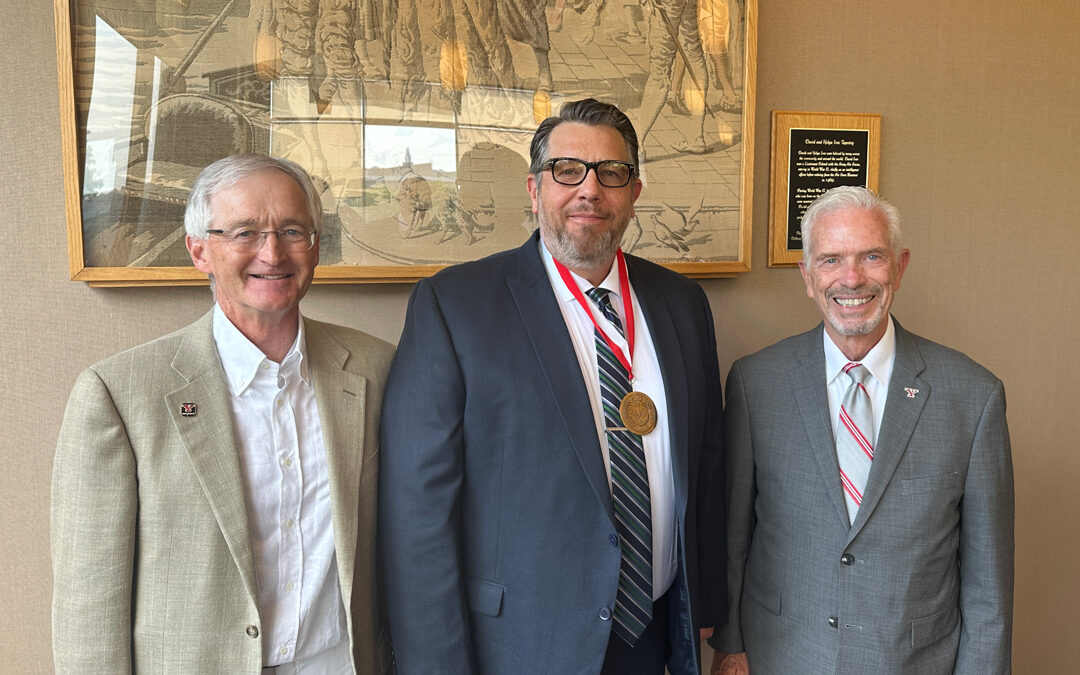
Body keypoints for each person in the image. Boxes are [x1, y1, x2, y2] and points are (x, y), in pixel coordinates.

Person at [379, 98, 726, 674]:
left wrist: (706, 600)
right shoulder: (454, 306)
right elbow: (418, 512)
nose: (590, 190)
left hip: (656, 632)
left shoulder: (683, 304)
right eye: (568, 170)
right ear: (535, 189)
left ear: (634, 192)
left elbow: (707, 461)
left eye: (611, 173)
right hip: (522, 643)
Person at [51, 154, 396, 674]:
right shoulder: (119, 395)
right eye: (244, 232)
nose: (272, 251)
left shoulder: (379, 367)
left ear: (316, 246)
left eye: (293, 230)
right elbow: (88, 603)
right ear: (199, 251)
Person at [711, 186, 1014, 674]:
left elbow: (989, 582)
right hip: (781, 657)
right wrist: (729, 646)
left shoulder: (973, 396)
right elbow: (734, 534)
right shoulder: (754, 384)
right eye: (831, 260)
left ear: (900, 266)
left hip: (912, 662)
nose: (851, 279)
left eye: (871, 256)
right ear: (808, 276)